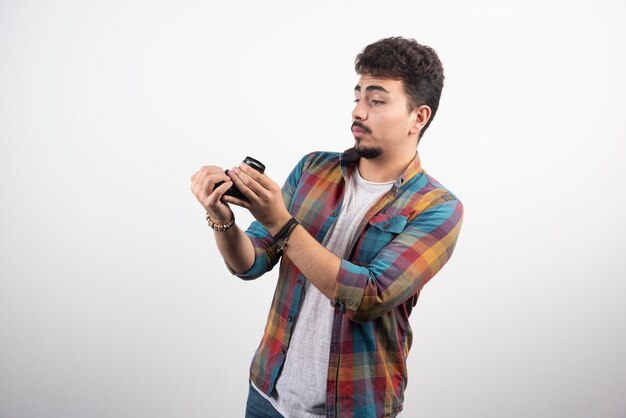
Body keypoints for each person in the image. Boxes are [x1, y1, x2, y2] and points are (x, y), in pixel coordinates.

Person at [190, 37, 464, 418]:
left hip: (353, 408)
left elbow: (369, 296)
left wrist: (281, 223)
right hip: (267, 394)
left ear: (418, 117)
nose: (359, 112)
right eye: (357, 97)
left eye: (377, 100)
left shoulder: (438, 208)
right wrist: (221, 217)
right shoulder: (313, 169)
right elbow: (249, 262)